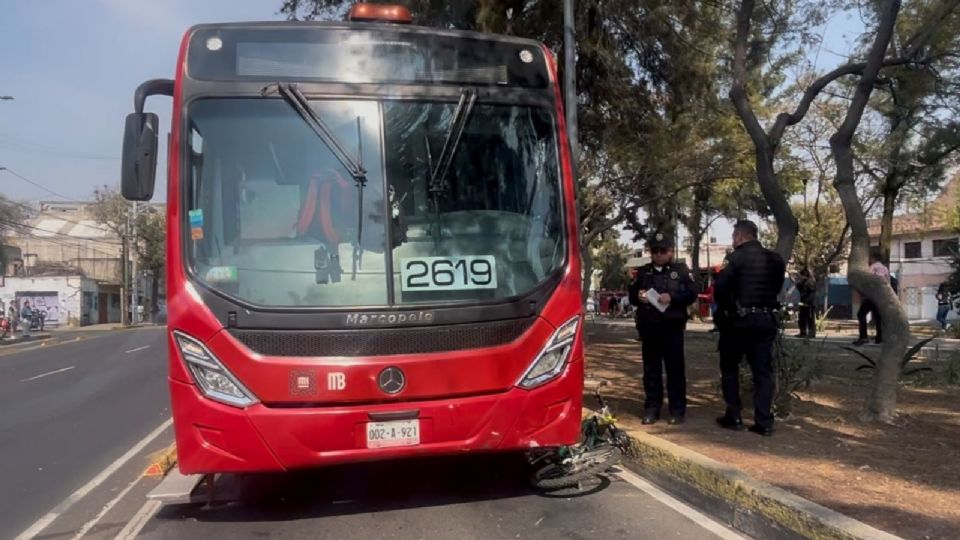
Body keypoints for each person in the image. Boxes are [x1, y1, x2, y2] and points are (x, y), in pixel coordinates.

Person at [714, 220, 786, 437]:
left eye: (734, 236)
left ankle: (734, 415)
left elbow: (721, 289)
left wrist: (726, 312)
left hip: (739, 322)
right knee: (763, 372)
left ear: (740, 236)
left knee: (729, 368)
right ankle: (764, 421)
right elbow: (776, 287)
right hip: (766, 320)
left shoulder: (736, 258)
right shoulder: (775, 259)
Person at [628, 231, 697, 425]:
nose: (658, 254)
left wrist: (673, 297)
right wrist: (639, 295)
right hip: (650, 329)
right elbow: (632, 294)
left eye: (662, 250)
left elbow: (692, 293)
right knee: (651, 370)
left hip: (672, 328)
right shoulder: (643, 272)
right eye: (655, 251)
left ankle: (677, 409)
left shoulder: (680, 270)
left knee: (675, 370)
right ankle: (652, 407)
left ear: (671, 252)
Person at [853, 249, 890, 346]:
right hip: (882, 297)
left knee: (861, 314)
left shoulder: (873, 267)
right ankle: (880, 337)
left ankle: (863, 337)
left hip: (872, 296)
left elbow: (871, 280)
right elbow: (887, 282)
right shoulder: (885, 269)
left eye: (870, 258)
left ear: (873, 258)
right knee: (878, 317)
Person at [794, 268, 817, 338]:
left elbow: (804, 291)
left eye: (801, 275)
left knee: (809, 318)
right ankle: (803, 332)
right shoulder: (806, 281)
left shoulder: (809, 282)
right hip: (804, 303)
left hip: (809, 303)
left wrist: (798, 283)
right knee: (802, 318)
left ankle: (811, 333)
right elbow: (800, 288)